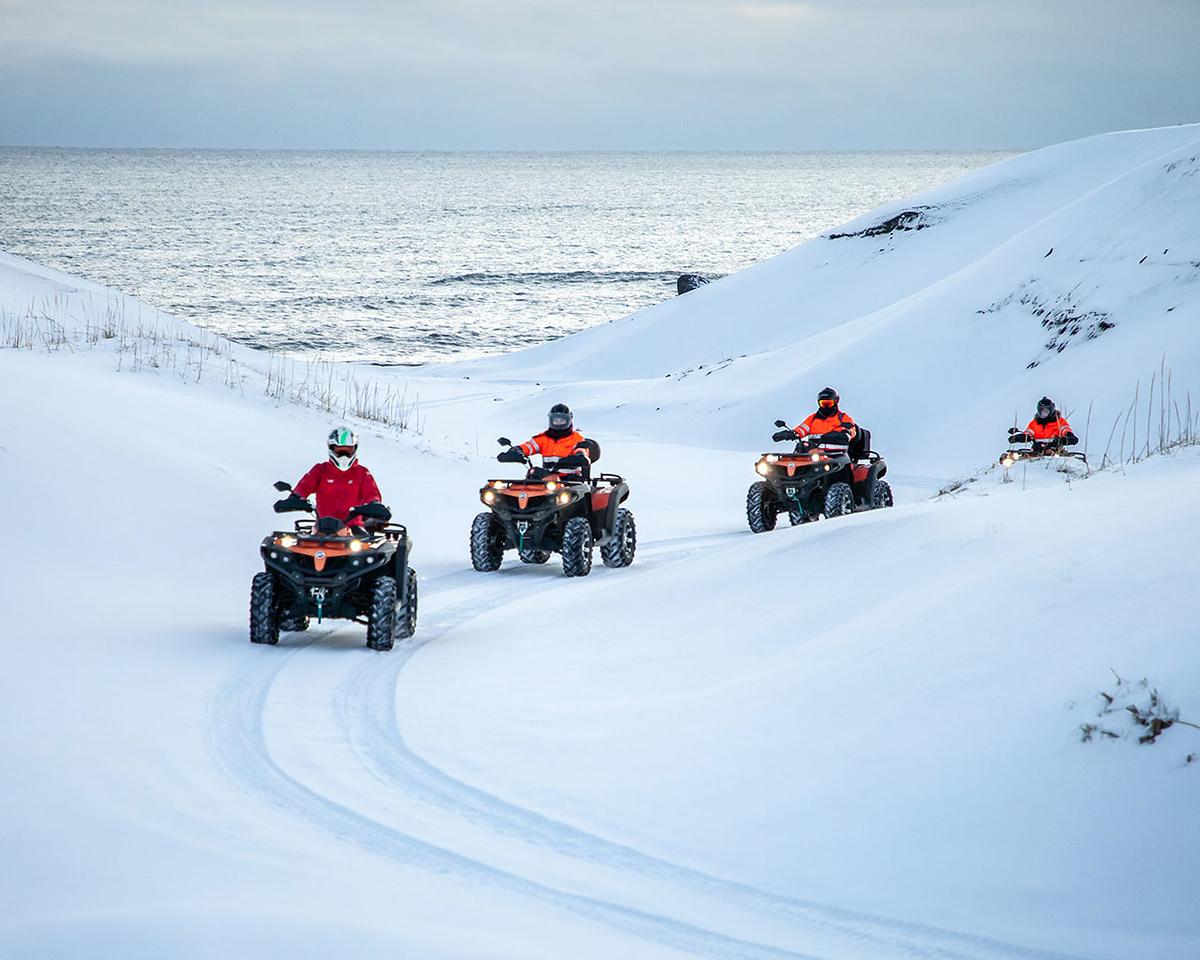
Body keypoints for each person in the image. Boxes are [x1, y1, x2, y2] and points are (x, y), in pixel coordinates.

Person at [276, 426, 384, 527]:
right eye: (339, 450)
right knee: (287, 544)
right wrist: (295, 498)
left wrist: (374, 504)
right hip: (322, 528)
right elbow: (304, 486)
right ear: (331, 448)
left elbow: (372, 493)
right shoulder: (320, 470)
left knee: (368, 547)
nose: (344, 455)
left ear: (354, 449)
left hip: (353, 528)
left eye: (347, 450)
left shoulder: (362, 473)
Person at [499, 403, 597, 476]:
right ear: (551, 420)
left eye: (562, 420)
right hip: (547, 479)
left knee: (576, 495)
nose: (558, 423)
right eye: (556, 420)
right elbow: (529, 446)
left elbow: (582, 450)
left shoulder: (577, 438)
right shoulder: (543, 438)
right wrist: (516, 451)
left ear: (569, 420)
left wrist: (579, 457)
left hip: (571, 480)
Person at [774, 387, 858, 449]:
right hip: (814, 455)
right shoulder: (812, 418)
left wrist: (841, 434)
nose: (825, 407)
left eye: (828, 403)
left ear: (835, 402)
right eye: (823, 404)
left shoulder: (843, 417)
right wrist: (791, 433)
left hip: (836, 455)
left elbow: (851, 431)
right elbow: (802, 429)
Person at [1008, 397, 1078, 450]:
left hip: (1056, 451)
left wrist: (1069, 437)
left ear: (1051, 410)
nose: (1044, 413)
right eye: (1041, 410)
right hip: (1036, 451)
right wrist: (1018, 437)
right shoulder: (1034, 423)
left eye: (1046, 411)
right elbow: (1028, 434)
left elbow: (1065, 429)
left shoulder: (1059, 421)